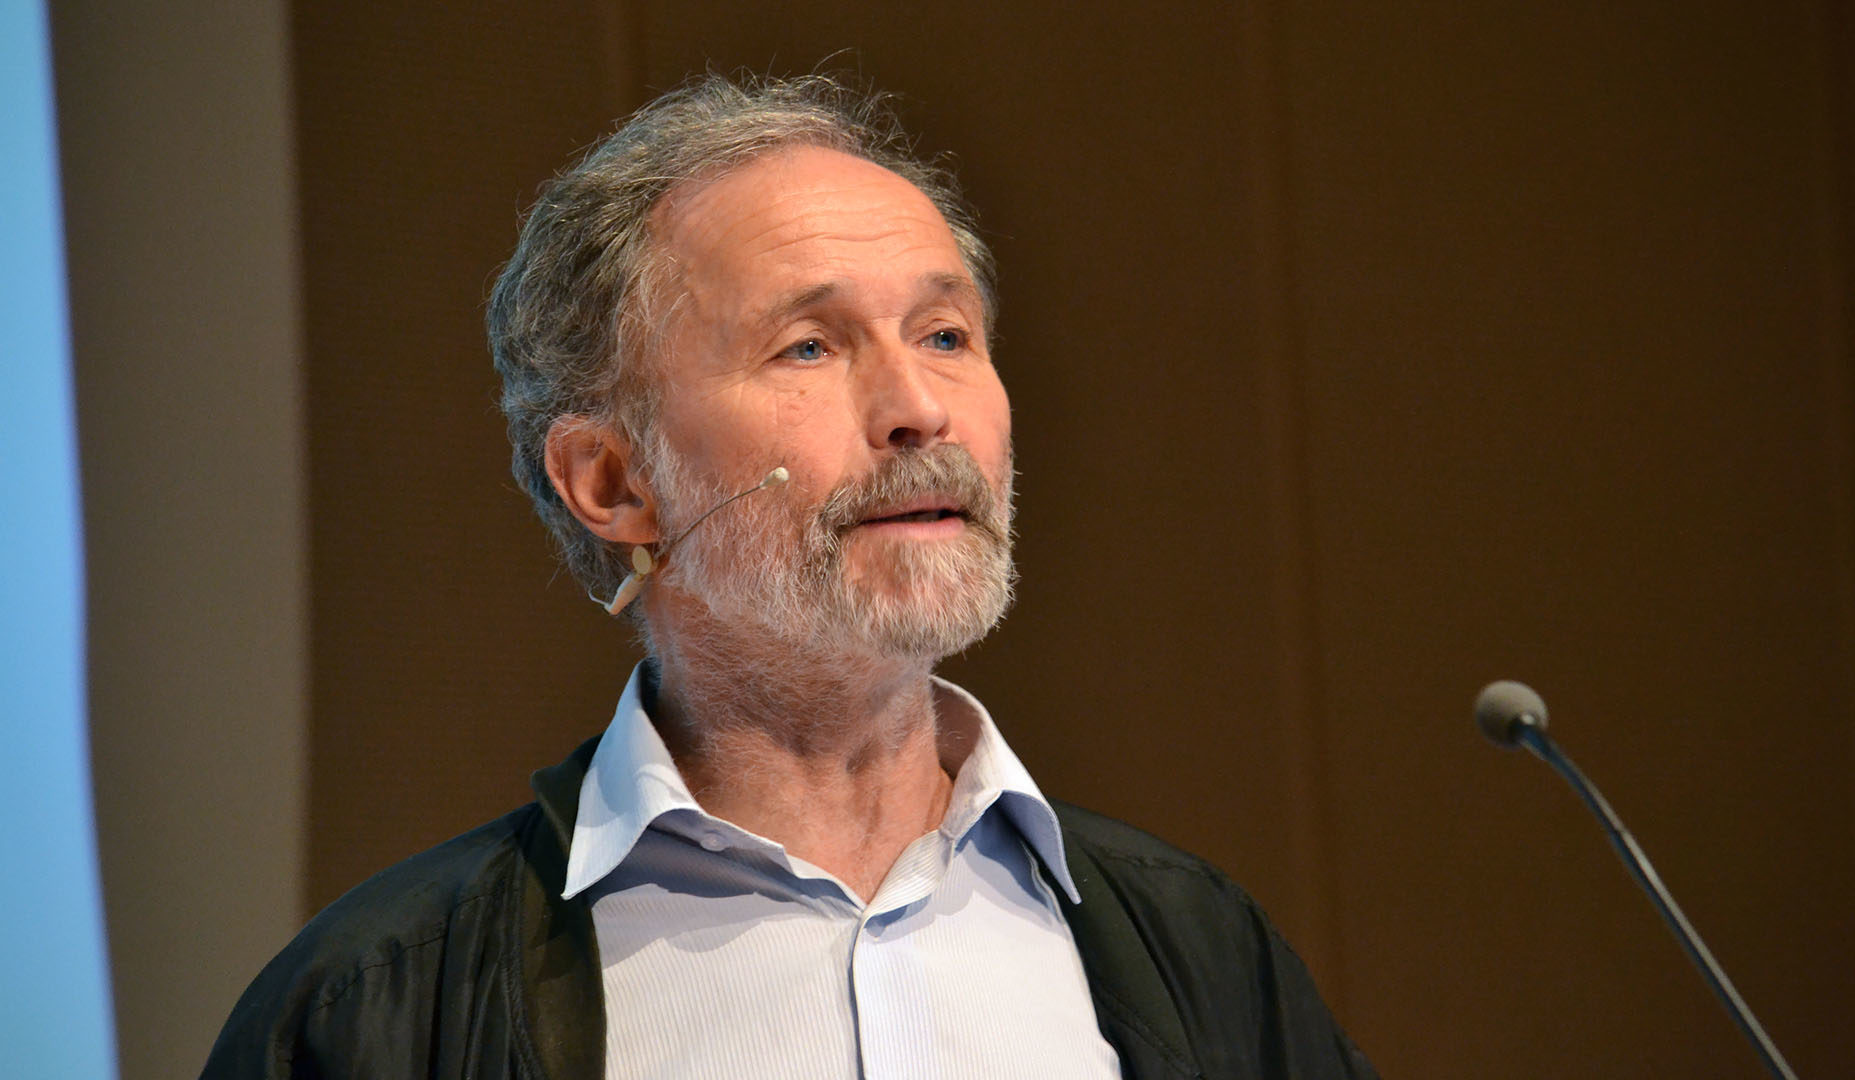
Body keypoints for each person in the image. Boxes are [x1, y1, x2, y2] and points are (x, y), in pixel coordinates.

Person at [202, 72, 1378, 1080]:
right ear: (614, 483)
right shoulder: (376, 1011)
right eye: (808, 346)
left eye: (946, 335)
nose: (920, 410)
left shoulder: (1199, 949)